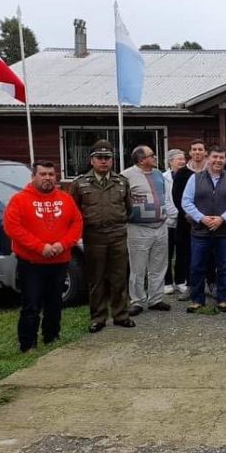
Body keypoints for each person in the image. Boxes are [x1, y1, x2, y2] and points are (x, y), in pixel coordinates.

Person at [4, 161, 83, 352]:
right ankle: (28, 343)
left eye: (51, 174)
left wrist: (62, 244)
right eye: (43, 174)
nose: (48, 178)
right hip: (31, 263)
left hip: (60, 260)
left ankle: (52, 336)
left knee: (55, 302)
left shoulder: (65, 199)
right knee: (31, 304)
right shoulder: (19, 200)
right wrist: (40, 247)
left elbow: (77, 223)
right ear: (33, 176)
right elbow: (13, 228)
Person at [70, 139, 136, 332]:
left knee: (119, 277)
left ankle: (120, 315)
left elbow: (129, 208)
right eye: (99, 158)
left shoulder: (121, 182)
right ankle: (98, 317)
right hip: (94, 236)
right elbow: (73, 212)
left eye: (107, 158)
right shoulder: (80, 184)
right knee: (96, 278)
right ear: (92, 160)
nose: (104, 161)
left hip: (117, 235)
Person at [181, 145, 226, 313]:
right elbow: (186, 202)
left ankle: (223, 299)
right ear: (208, 158)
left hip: (224, 231)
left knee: (224, 266)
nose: (218, 160)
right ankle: (197, 299)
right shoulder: (195, 178)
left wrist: (222, 219)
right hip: (200, 231)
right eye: (215, 157)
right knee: (197, 266)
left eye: (221, 158)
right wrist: (202, 218)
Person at [123, 145, 174, 316]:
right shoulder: (126, 176)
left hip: (160, 226)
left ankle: (155, 299)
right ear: (141, 160)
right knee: (138, 267)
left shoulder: (159, 174)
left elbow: (166, 197)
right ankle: (137, 301)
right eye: (152, 155)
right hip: (138, 228)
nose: (155, 157)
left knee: (159, 265)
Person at [172, 139, 208, 301]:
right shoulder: (182, 173)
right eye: (194, 149)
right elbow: (177, 197)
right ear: (190, 153)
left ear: (205, 152)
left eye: (200, 149)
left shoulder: (212, 171)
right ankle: (190, 285)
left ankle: (210, 283)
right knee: (188, 254)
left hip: (209, 220)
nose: (198, 152)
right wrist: (189, 215)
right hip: (187, 221)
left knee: (210, 254)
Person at [163, 149, 187, 295]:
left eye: (184, 159)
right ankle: (167, 282)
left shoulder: (186, 176)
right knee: (167, 252)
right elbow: (165, 198)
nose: (183, 161)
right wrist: (176, 213)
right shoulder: (163, 177)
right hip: (168, 221)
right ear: (171, 161)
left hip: (183, 221)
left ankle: (180, 281)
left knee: (182, 253)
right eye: (179, 159)